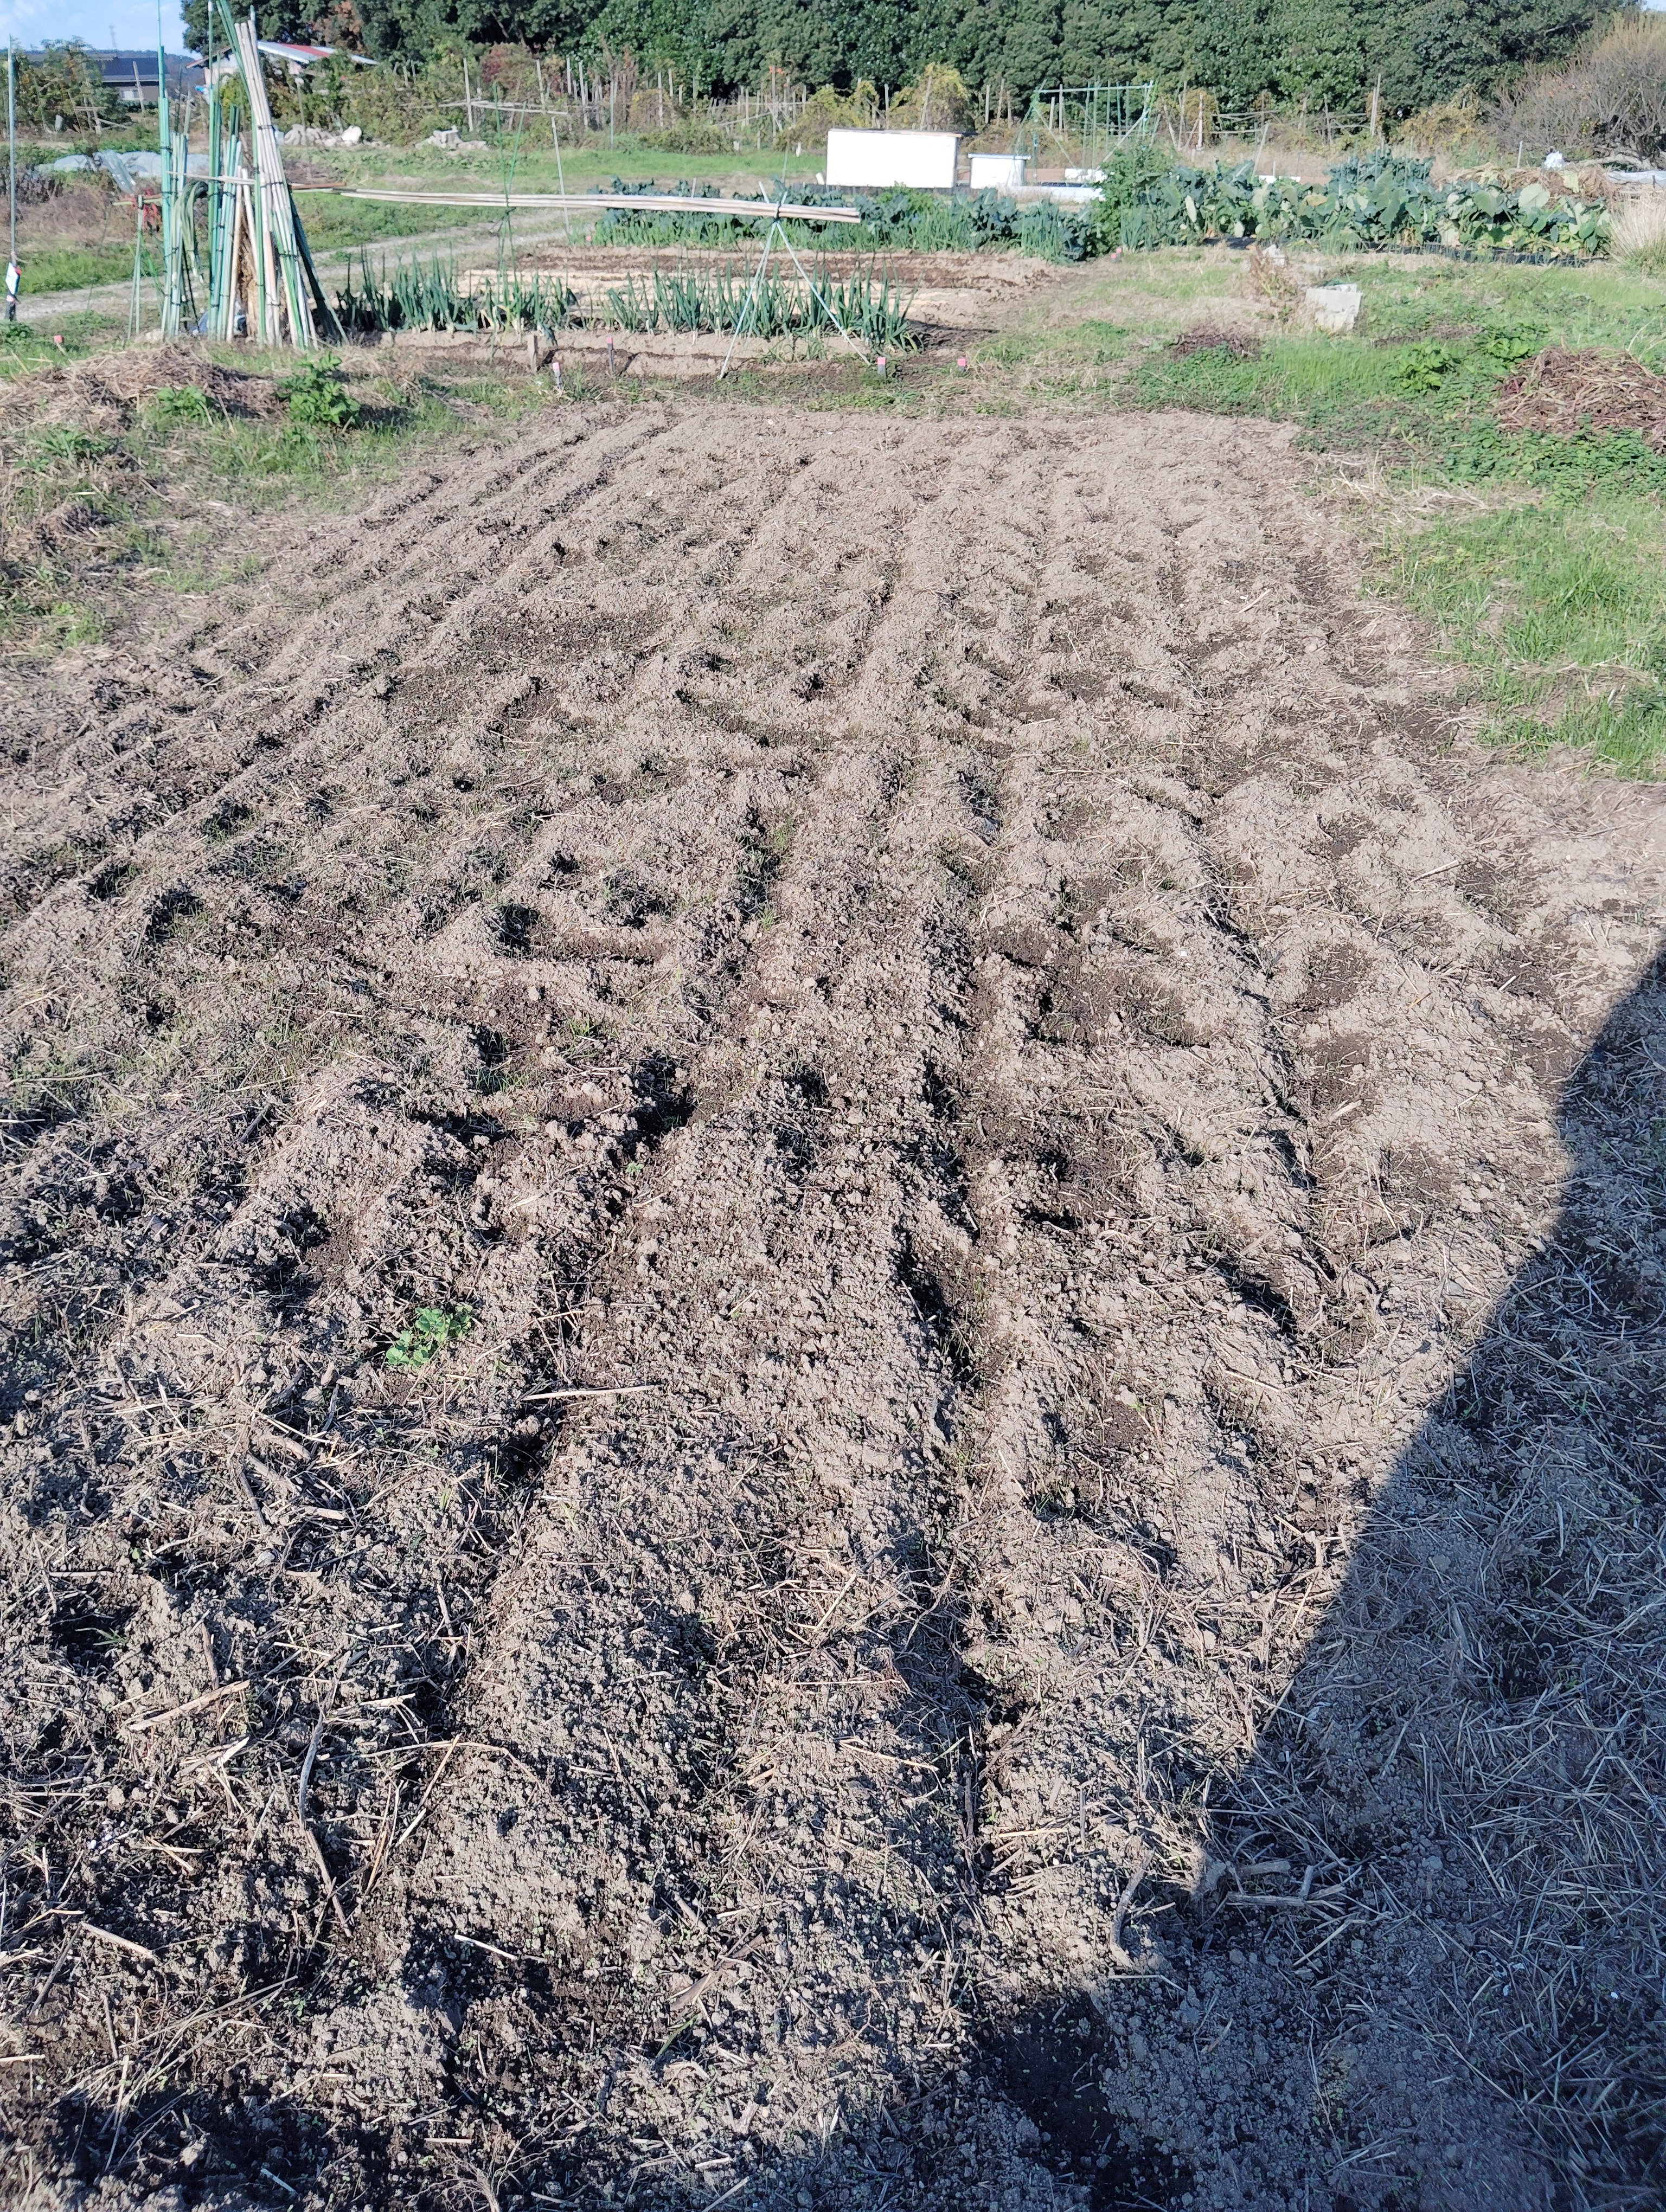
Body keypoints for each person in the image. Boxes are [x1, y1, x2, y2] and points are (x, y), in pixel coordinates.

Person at [4, 258, 20, 323]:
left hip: (11, 298)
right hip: (10, 299)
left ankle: (10, 322)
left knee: (10, 313)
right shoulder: (14, 277)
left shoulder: (15, 277)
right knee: (9, 313)